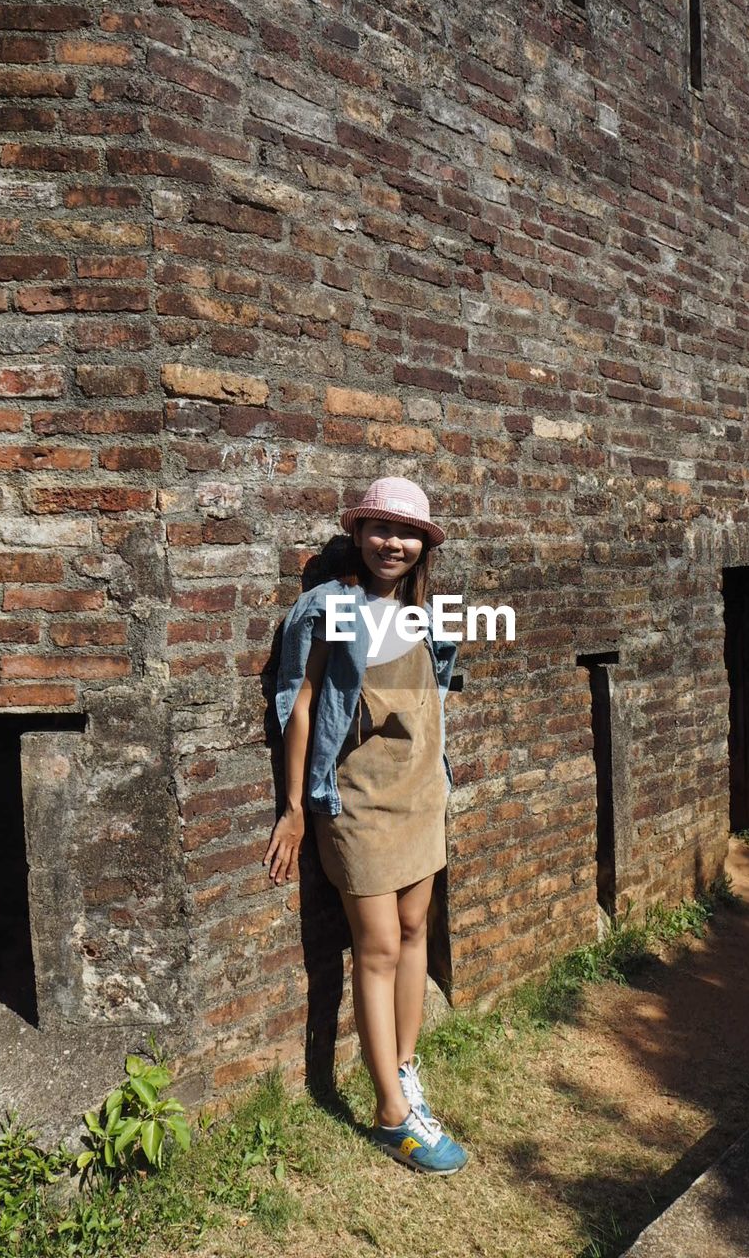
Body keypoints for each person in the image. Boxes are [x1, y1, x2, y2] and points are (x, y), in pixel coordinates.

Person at [266, 476, 469, 1176]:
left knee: (416, 933)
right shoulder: (333, 609)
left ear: (424, 547)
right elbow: (300, 704)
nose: (394, 542)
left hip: (419, 795)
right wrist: (295, 808)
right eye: (380, 528)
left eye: (408, 532)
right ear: (357, 534)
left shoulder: (429, 614)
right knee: (377, 948)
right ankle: (391, 1114)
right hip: (355, 803)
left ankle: (404, 1071)